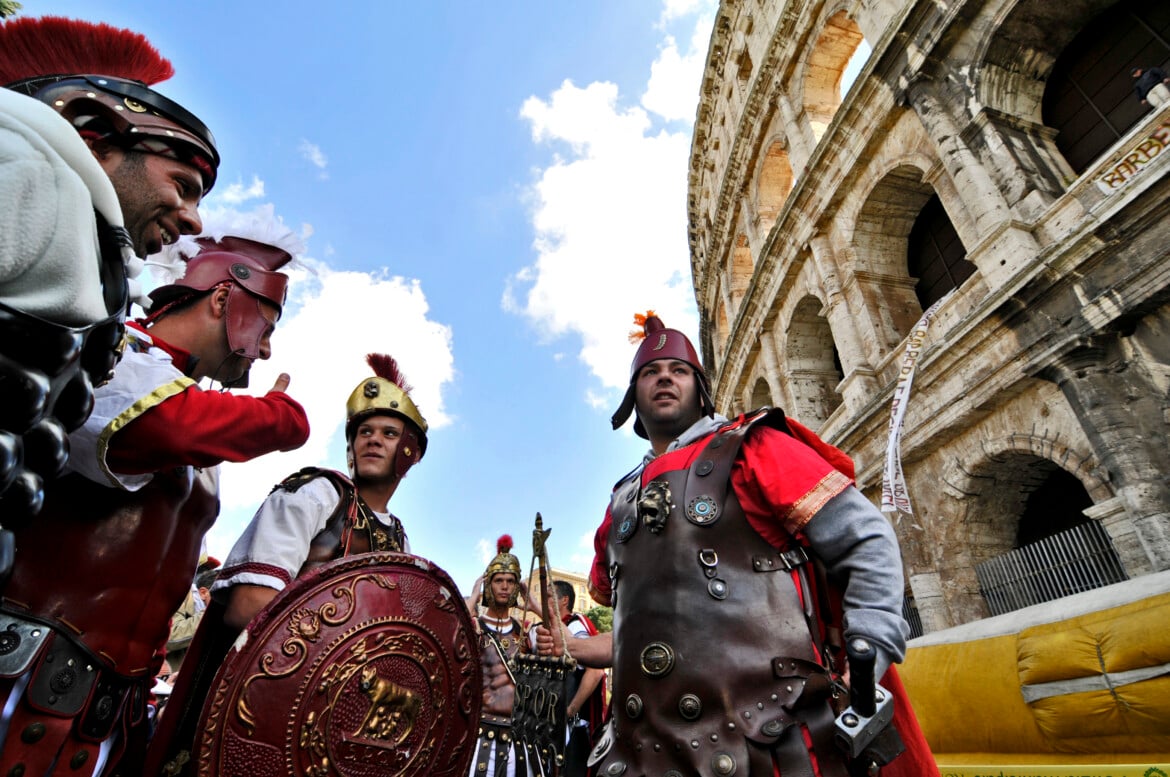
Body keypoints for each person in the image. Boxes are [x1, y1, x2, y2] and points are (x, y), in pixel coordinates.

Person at [537, 312, 936, 777]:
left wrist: (871, 646)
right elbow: (641, 631)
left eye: (679, 370)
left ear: (701, 390)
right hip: (644, 752)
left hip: (772, 737)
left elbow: (864, 541)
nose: (664, 377)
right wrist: (572, 646)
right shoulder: (619, 502)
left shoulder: (754, 446)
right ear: (631, 400)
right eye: (650, 372)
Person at [0, 223, 309, 777]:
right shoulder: (116, 350)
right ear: (222, 297)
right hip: (23, 668)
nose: (264, 349)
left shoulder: (185, 398)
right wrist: (278, 417)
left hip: (110, 703)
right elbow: (167, 428)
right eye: (264, 326)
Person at [146, 352, 429, 775]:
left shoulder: (400, 540)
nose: (372, 440)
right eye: (364, 431)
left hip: (331, 721)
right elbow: (247, 607)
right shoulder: (317, 494)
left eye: (389, 433)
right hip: (263, 708)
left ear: (410, 450)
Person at [0, 16, 219, 520]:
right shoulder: (28, 172)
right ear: (95, 141)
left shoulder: (91, 246)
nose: (193, 220)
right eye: (182, 184)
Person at [470, 536, 534, 777]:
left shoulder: (526, 631)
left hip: (518, 738)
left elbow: (561, 640)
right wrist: (474, 597)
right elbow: (451, 636)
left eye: (510, 581)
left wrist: (531, 602)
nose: (505, 586)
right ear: (489, 585)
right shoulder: (473, 626)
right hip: (480, 737)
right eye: (498, 581)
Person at [551, 580, 606, 777]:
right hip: (552, 726)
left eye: (549, 597)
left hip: (571, 728)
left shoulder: (575, 626)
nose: (544, 601)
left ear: (564, 600)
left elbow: (595, 670)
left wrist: (570, 710)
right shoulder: (556, 628)